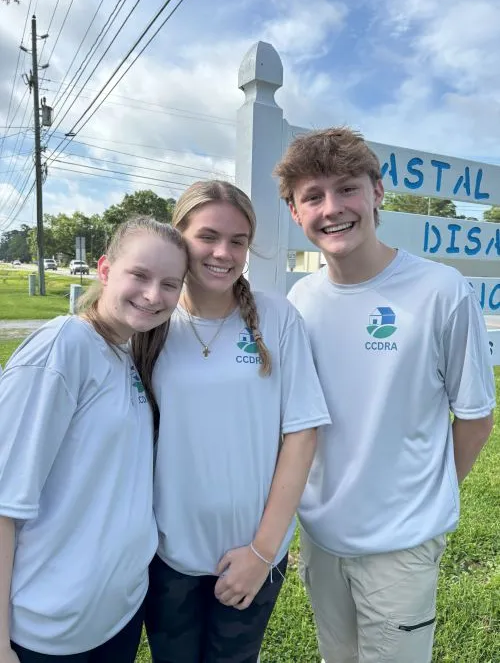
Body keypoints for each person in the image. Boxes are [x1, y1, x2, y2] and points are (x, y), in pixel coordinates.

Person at [274, 126, 496, 663]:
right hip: (322, 539)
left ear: (377, 192)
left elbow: (475, 416)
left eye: (347, 188)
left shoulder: (441, 291)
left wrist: (426, 493)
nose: (333, 209)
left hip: (401, 548)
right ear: (294, 212)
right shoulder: (300, 299)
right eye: (313, 197)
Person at [145, 180, 331, 663]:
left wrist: (263, 552)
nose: (223, 253)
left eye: (238, 241)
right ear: (177, 235)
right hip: (164, 554)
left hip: (254, 550)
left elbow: (302, 434)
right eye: (207, 237)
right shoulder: (150, 322)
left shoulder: (276, 318)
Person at [0, 217, 188, 663]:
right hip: (49, 630)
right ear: (104, 270)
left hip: (114, 620)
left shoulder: (124, 352)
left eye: (169, 283)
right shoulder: (62, 347)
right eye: (139, 275)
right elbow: (3, 502)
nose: (153, 295)